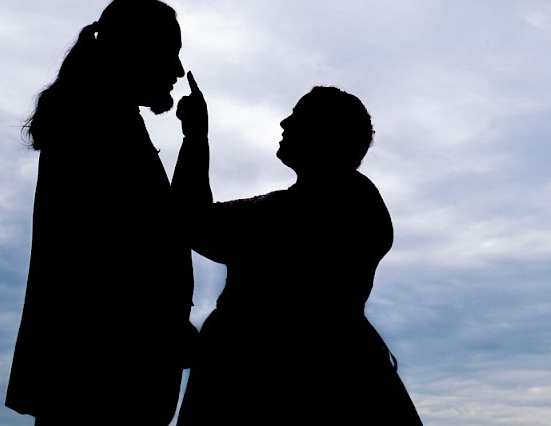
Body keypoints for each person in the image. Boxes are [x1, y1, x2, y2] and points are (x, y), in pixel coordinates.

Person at [6, 0, 208, 425]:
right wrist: (195, 141)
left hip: (96, 374)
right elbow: (155, 236)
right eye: (169, 54)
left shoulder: (99, 118)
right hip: (105, 379)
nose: (176, 70)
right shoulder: (98, 126)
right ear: (137, 51)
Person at [177, 86, 423, 424]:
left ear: (325, 134)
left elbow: (195, 222)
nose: (284, 122)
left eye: (299, 116)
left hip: (266, 388)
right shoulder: (347, 203)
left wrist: (195, 137)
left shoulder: (324, 208)